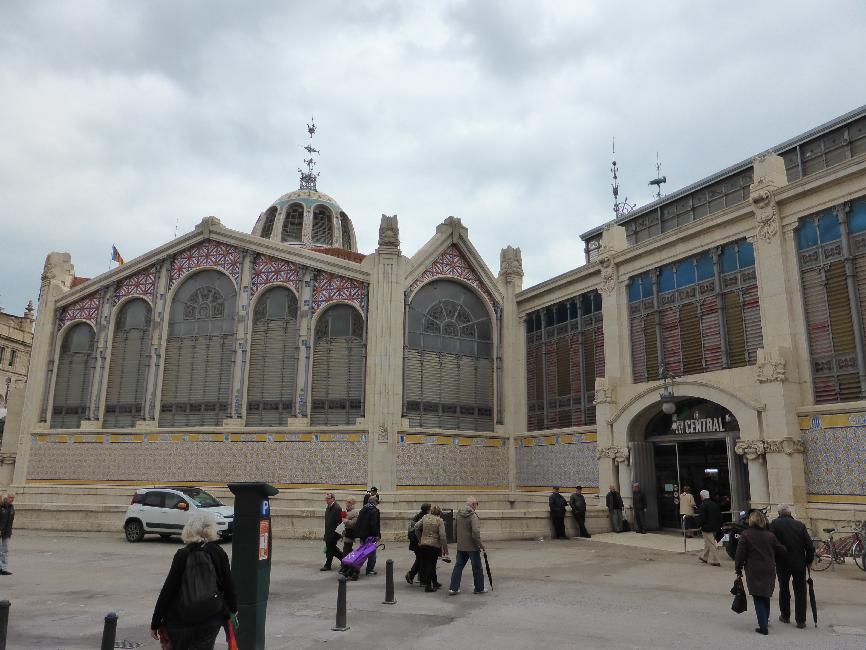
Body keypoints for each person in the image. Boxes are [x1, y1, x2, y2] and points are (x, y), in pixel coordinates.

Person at [150, 512, 238, 649]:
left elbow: (168, 590)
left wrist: (156, 622)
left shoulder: (182, 554)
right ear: (210, 529)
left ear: (189, 530)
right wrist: (232, 610)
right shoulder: (218, 552)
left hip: (180, 621)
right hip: (210, 618)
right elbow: (229, 586)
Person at [734, 509, 786, 636]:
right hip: (768, 568)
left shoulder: (746, 535)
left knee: (758, 596)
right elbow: (782, 550)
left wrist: (738, 570)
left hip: (753, 569)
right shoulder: (770, 536)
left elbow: (740, 555)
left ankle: (763, 626)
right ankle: (765, 619)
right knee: (765, 594)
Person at [769, 504, 814, 629]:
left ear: (779, 513)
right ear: (790, 513)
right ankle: (801, 620)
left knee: (784, 589)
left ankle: (785, 615)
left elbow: (770, 543)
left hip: (782, 562)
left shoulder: (774, 525)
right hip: (799, 563)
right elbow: (810, 546)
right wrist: (808, 560)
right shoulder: (800, 525)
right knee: (800, 591)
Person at [449, 497, 486, 595]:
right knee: (477, 567)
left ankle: (453, 588)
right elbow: (475, 532)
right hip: (473, 547)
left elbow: (454, 527)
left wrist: (457, 540)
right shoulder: (473, 516)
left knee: (458, 566)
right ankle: (479, 588)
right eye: (476, 505)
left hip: (461, 545)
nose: (476, 507)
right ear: (473, 505)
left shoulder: (458, 513)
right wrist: (480, 544)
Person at [413, 505, 449, 592]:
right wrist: (445, 548)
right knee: (431, 565)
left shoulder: (425, 517)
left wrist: (420, 539)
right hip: (434, 545)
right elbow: (443, 536)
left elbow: (416, 527)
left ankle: (435, 582)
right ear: (439, 513)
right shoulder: (439, 521)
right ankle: (428, 586)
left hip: (424, 544)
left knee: (428, 564)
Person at [354, 494, 381, 576]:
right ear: (375, 502)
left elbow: (358, 522)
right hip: (370, 536)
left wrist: (358, 534)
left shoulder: (363, 509)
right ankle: (370, 569)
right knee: (372, 553)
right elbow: (374, 524)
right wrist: (376, 535)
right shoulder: (374, 510)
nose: (377, 504)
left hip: (363, 535)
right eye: (377, 502)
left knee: (362, 552)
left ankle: (356, 567)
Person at [406, 502, 431, 585]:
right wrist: (421, 541)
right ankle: (412, 575)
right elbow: (419, 530)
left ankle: (419, 578)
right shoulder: (424, 518)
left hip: (415, 542)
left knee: (421, 559)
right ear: (427, 509)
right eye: (430, 508)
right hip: (419, 542)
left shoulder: (418, 516)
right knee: (421, 560)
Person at [697, 489, 722, 566]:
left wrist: (699, 524)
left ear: (702, 497)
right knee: (708, 543)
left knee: (711, 543)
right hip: (715, 527)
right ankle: (704, 556)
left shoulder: (703, 506)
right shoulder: (714, 504)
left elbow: (702, 518)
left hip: (707, 528)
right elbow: (719, 516)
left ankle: (716, 560)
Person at [321, 493, 344, 571]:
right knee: (332, 549)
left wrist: (339, 534)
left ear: (333, 499)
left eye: (328, 498)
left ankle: (328, 565)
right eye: (326, 498)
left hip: (334, 533)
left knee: (330, 549)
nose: (326, 500)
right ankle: (344, 560)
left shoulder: (337, 508)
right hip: (328, 532)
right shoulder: (328, 507)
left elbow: (340, 522)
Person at [0, 493, 14, 576]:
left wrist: (9, 531)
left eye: (13, 498)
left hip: (7, 532)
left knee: (5, 551)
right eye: (10, 498)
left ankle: (3, 569)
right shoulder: (1, 507)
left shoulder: (12, 508)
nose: (11, 499)